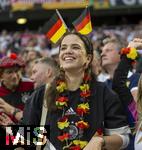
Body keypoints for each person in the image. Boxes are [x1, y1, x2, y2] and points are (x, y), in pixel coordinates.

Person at [20, 32, 131, 150]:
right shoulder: (41, 94)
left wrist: (100, 140)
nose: (68, 51)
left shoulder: (104, 93)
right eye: (63, 48)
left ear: (88, 59)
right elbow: (23, 141)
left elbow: (123, 138)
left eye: (75, 47)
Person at [0, 53, 34, 124]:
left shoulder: (31, 85)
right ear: (1, 75)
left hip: (29, 130)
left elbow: (42, 133)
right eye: (9, 72)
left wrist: (12, 111)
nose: (15, 76)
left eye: (16, 71)